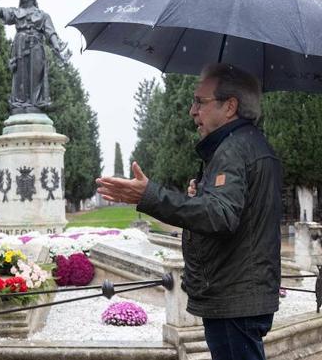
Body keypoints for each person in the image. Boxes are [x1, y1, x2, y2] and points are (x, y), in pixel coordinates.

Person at [97, 63, 282, 360]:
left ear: (230, 106)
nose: (192, 111)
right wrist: (205, 195)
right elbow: (239, 211)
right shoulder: (251, 144)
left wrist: (150, 195)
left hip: (233, 294)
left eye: (200, 101)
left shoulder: (233, 149)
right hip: (242, 291)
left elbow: (220, 217)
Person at [0, 0, 68, 114]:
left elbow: (51, 32)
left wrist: (57, 47)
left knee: (36, 75)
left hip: (36, 47)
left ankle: (36, 103)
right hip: (20, 46)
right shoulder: (17, 12)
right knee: (20, 76)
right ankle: (20, 103)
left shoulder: (43, 15)